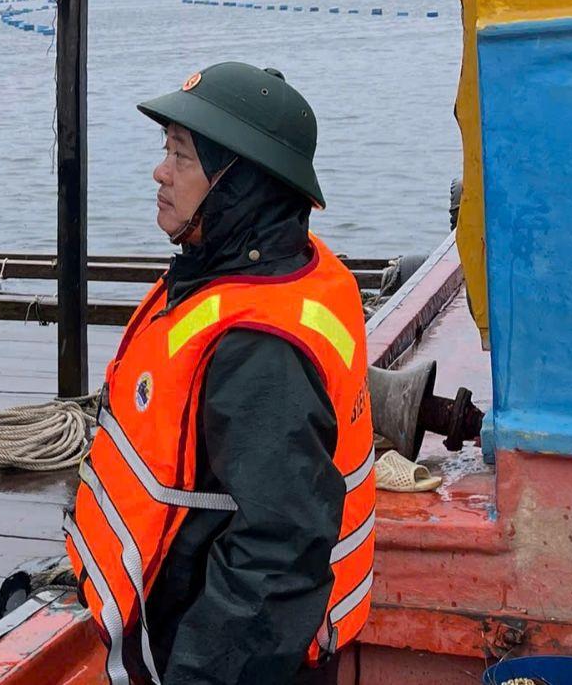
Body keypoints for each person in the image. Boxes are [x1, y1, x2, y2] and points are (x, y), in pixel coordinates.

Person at [65, 63, 376, 685]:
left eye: (181, 157)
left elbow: (277, 557)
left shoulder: (259, 347)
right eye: (166, 151)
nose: (160, 172)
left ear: (241, 185)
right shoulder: (275, 272)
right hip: (182, 621)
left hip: (216, 653)